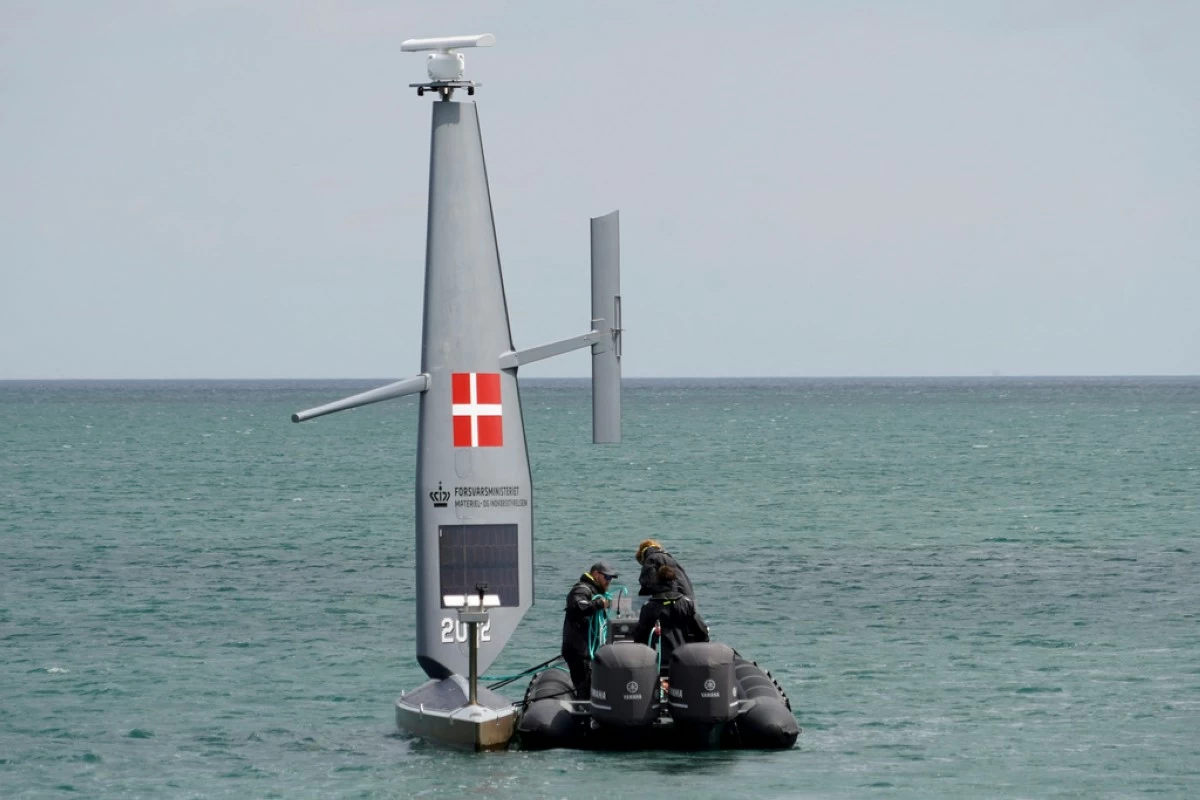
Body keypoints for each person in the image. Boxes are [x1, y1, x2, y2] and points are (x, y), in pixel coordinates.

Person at [561, 559, 617, 699]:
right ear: (596, 574)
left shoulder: (595, 592)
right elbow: (577, 606)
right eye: (607, 577)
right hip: (579, 650)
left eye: (611, 578)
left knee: (591, 686)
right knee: (585, 688)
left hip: (588, 650)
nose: (609, 581)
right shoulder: (582, 589)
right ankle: (584, 716)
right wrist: (598, 603)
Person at [633, 565, 709, 667]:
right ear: (674, 581)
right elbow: (701, 631)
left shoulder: (648, 606)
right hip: (682, 658)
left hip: (656, 660)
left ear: (657, 581)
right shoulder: (687, 604)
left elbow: (639, 635)